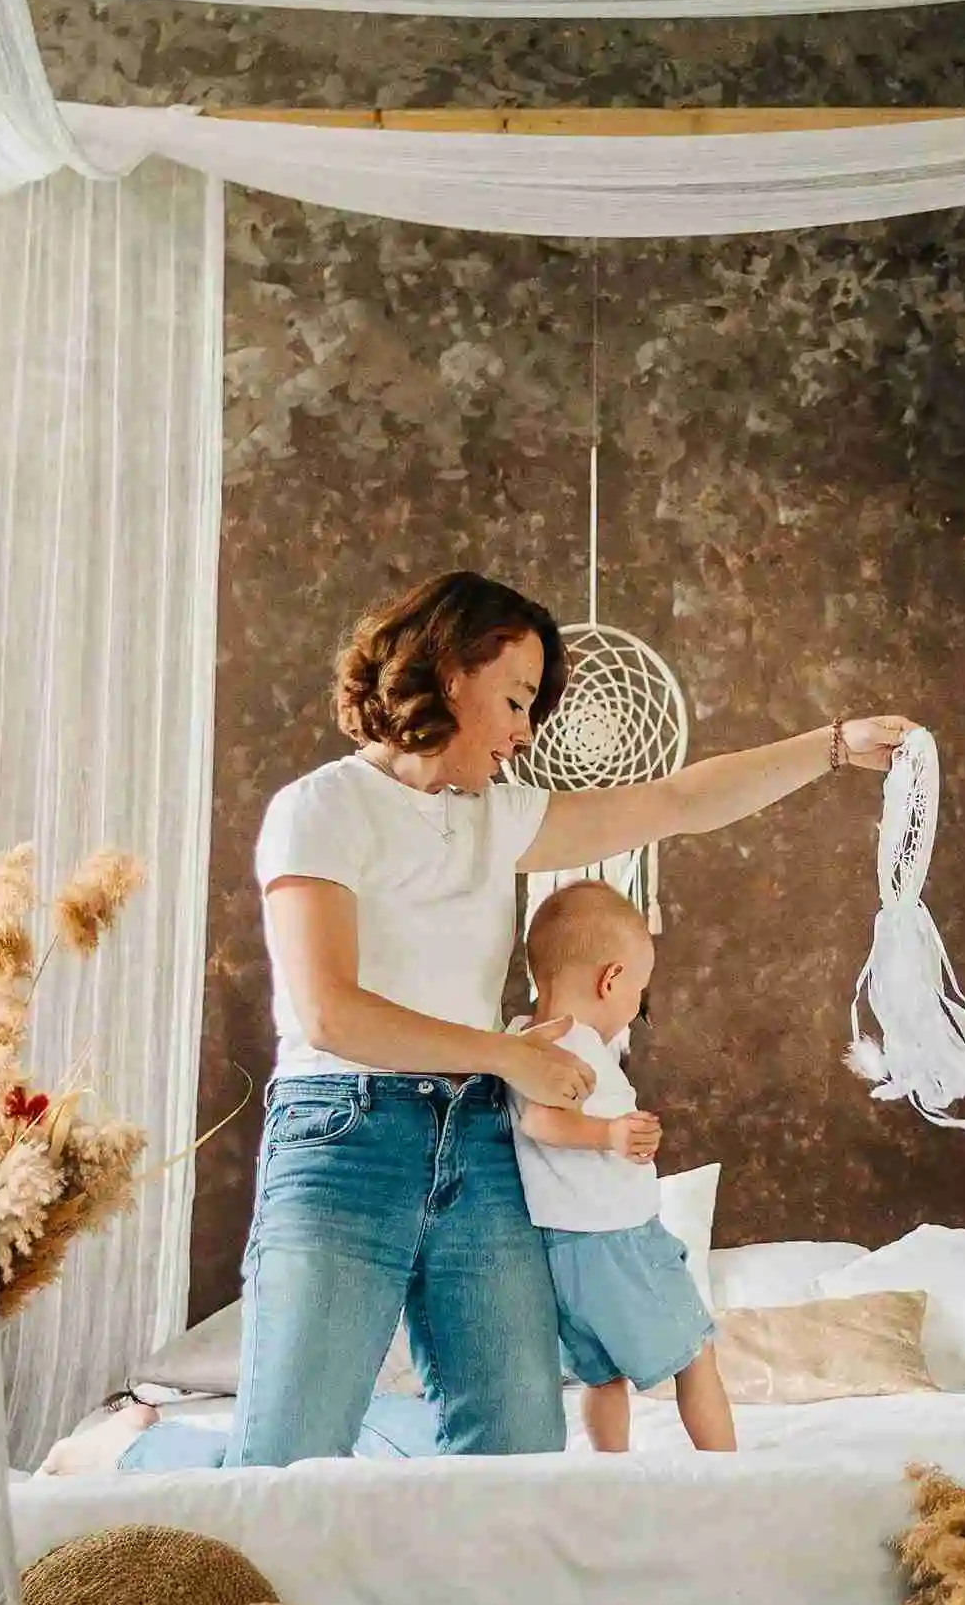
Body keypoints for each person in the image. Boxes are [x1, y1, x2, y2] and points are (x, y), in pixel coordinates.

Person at [235, 568, 910, 1465]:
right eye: (514, 700)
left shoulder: (496, 816)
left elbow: (675, 802)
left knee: (517, 1444)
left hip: (477, 1141)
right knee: (293, 1448)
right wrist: (509, 1056)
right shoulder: (322, 806)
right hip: (344, 1132)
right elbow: (330, 1012)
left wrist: (830, 746)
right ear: (446, 671)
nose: (523, 733)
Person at [511, 881, 732, 1453]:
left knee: (600, 1373)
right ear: (611, 981)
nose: (637, 1003)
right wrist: (608, 1133)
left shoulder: (519, 1038)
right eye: (638, 989)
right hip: (618, 1243)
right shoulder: (573, 1045)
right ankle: (729, 1473)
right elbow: (541, 1121)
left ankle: (611, 1469)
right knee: (696, 1352)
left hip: (564, 1249)